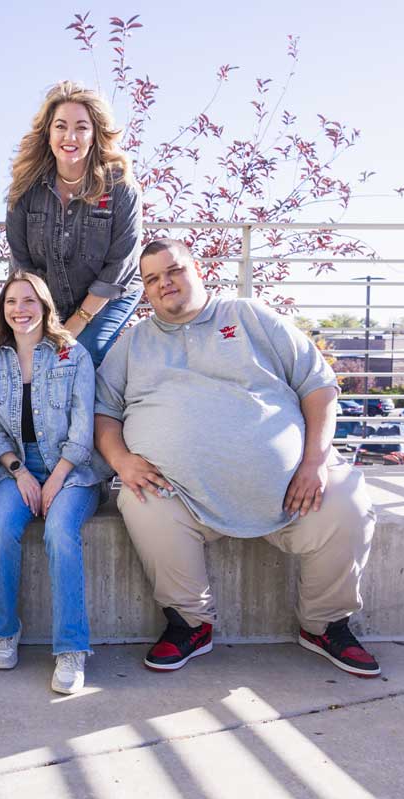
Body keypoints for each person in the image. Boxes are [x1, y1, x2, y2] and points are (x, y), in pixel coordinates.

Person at [94, 239, 381, 677]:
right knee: (140, 499)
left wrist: (314, 463)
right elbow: (104, 411)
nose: (163, 283)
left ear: (197, 269)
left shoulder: (249, 316)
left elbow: (318, 385)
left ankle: (325, 625)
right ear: (145, 291)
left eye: (173, 270)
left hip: (291, 491)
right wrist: (121, 460)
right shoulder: (133, 343)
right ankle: (190, 623)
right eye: (151, 279)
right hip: (183, 495)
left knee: (348, 502)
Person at [0, 272, 106, 694]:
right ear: (2, 310)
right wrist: (20, 472)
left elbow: (83, 429)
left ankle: (71, 648)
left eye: (29, 300)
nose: (20, 309)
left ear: (45, 306)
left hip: (73, 469)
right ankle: (4, 630)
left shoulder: (72, 354)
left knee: (60, 531)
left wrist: (56, 478)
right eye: (11, 302)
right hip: (18, 468)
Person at [5, 80, 143, 367]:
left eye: (81, 127)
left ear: (94, 135)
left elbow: (120, 266)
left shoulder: (120, 187)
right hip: (48, 298)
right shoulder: (26, 188)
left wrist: (75, 324)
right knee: (30, 357)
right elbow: (22, 263)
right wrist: (45, 321)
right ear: (48, 133)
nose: (70, 136)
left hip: (109, 296)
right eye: (60, 126)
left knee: (81, 355)